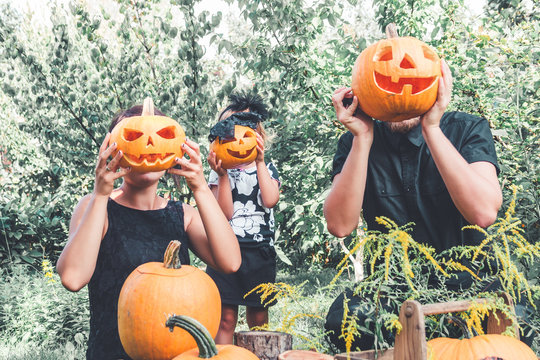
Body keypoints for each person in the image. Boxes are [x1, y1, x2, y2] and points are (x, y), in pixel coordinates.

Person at [323, 60, 504, 351]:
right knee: (343, 320)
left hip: (471, 285)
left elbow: (483, 212)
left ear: (434, 83)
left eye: (410, 82)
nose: (399, 95)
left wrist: (431, 128)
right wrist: (362, 138)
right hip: (393, 293)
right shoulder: (356, 141)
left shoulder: (467, 129)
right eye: (387, 85)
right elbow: (340, 225)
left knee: (510, 318)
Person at [56, 104, 241, 360]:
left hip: (176, 355)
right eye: (133, 137)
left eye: (162, 136)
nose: (150, 144)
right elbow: (72, 278)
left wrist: (199, 186)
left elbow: (231, 262)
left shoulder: (183, 214)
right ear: (114, 150)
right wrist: (101, 194)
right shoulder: (96, 206)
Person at [206, 92, 280, 344]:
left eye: (244, 133)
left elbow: (270, 200)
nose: (236, 139)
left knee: (258, 318)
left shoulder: (268, 169)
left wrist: (259, 162)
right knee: (225, 317)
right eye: (229, 133)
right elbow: (224, 214)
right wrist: (224, 175)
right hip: (225, 253)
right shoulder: (218, 175)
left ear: (257, 136)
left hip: (259, 251)